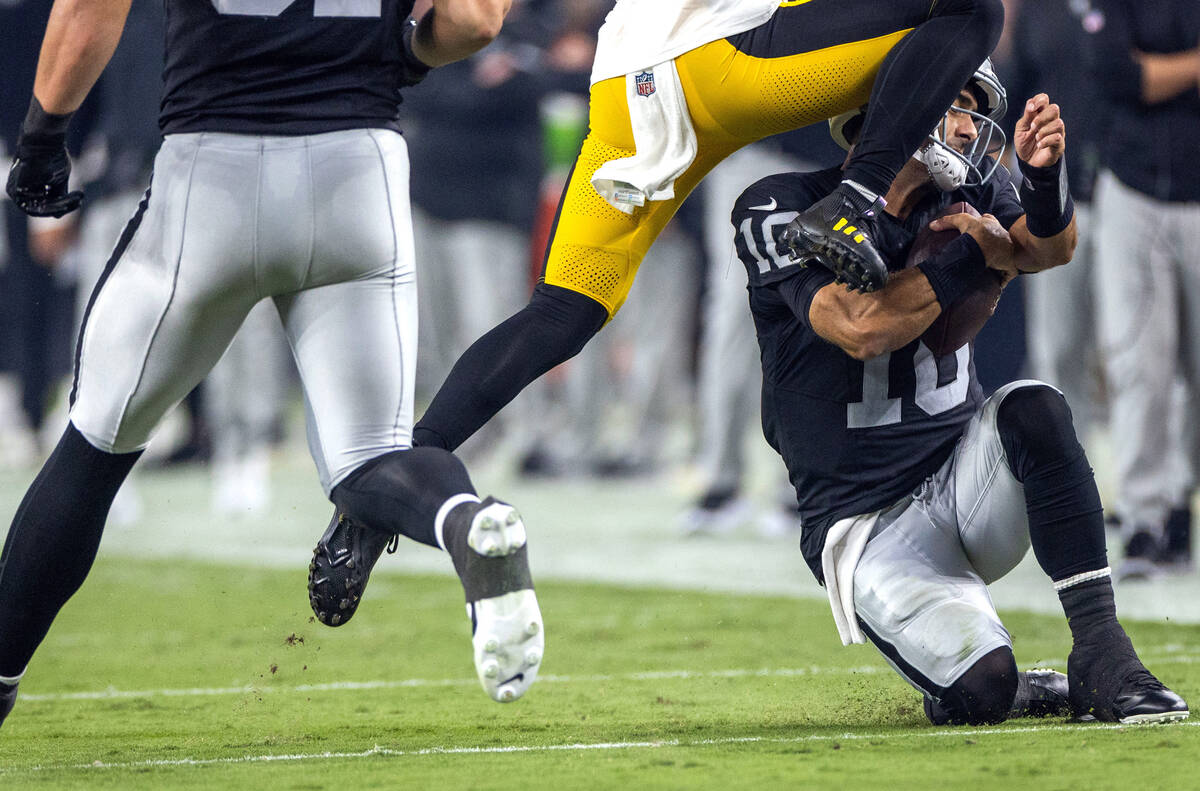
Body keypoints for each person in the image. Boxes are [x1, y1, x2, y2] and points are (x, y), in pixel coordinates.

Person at [0, 0, 543, 730]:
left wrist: (41, 137)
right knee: (369, 457)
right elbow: (475, 22)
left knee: (94, 444)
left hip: (211, 171)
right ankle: (466, 522)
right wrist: (405, 53)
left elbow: (90, 9)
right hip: (358, 170)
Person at [733, 68, 1189, 724]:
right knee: (982, 692)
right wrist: (969, 258)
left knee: (1035, 407)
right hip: (864, 525)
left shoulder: (972, 186)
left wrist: (1040, 180)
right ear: (894, 108)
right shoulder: (781, 204)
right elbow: (860, 328)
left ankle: (1101, 650)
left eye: (975, 111)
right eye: (955, 106)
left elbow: (1049, 248)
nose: (972, 128)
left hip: (964, 481)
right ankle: (995, 672)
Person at [411, 0, 1008, 461]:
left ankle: (406, 466)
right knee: (973, 8)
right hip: (717, 64)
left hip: (623, 83)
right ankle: (854, 199)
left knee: (561, 313)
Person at [1087, 0, 1199, 579]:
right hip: (1132, 189)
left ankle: (1181, 502)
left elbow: (1148, 76)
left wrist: (1165, 70)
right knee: (1138, 363)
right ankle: (1143, 518)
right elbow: (1119, 76)